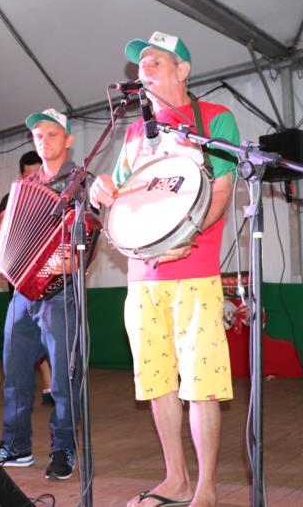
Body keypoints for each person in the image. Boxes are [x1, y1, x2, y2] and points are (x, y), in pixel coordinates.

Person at [89, 32, 239, 507]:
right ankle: (174, 478)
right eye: (139, 65)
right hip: (143, 277)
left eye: (154, 61)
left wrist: (182, 242)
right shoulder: (136, 133)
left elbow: (220, 192)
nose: (143, 70)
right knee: (157, 383)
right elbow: (123, 199)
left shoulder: (216, 119)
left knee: (202, 384)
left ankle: (206, 488)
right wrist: (103, 195)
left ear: (183, 70)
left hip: (194, 271)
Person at [0, 109, 94, 481]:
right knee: (14, 371)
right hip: (22, 292)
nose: (43, 140)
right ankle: (16, 446)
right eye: (37, 136)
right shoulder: (25, 186)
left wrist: (74, 258)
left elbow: (90, 233)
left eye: (50, 134)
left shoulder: (80, 182)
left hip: (62, 293)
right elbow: (9, 232)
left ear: (68, 139)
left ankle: (64, 448)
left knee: (63, 377)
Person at [0, 150, 55, 407]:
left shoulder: (55, 196)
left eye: (37, 176)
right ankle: (36, 389)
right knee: (23, 337)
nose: (33, 181)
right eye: (28, 177)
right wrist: (5, 226)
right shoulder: (10, 199)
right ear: (20, 175)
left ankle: (53, 387)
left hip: (49, 276)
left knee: (49, 332)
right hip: (18, 278)